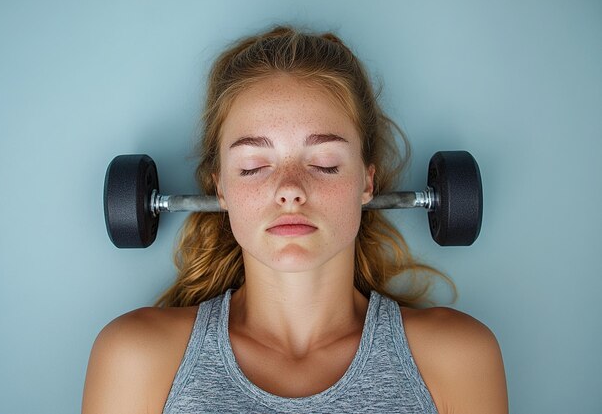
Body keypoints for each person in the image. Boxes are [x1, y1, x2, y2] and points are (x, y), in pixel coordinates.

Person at [82, 25, 508, 413]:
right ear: (222, 190)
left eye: (323, 163)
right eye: (253, 167)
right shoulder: (135, 357)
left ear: (367, 182)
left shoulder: (458, 357)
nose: (290, 188)